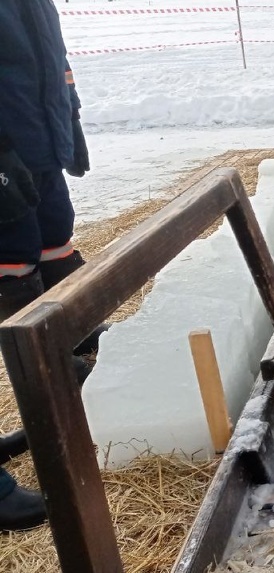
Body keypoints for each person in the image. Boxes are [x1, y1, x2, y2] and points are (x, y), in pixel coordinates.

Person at [0, 0, 96, 530]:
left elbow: (51, 58)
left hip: (37, 144)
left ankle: (61, 354)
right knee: (9, 269)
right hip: (5, 152)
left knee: (53, 239)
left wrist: (70, 116)